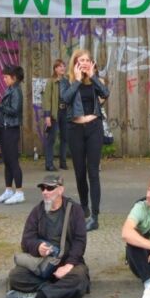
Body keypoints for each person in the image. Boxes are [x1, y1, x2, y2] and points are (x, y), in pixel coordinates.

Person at [5, 175, 90, 298]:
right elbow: (26, 240)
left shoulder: (75, 210)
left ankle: (35, 297)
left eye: (49, 188)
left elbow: (80, 241)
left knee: (78, 279)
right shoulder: (37, 211)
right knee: (15, 276)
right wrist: (37, 247)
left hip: (67, 263)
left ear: (61, 190)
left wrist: (68, 266)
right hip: (42, 264)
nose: (45, 192)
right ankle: (57, 290)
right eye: (43, 188)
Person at [61, 49, 110, 231]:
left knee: (93, 173)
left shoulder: (96, 81)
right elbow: (65, 99)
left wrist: (93, 77)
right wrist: (78, 80)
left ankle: (95, 216)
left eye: (87, 60)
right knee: (79, 172)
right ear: (75, 62)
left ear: (92, 63)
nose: (84, 63)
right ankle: (84, 208)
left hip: (94, 128)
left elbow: (105, 93)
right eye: (81, 60)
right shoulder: (68, 81)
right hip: (75, 129)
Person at [0, 65, 25, 205]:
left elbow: (15, 110)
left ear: (14, 78)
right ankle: (8, 190)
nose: (3, 79)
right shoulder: (9, 89)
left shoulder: (16, 91)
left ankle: (20, 191)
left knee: (13, 161)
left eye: (6, 77)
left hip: (11, 128)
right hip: (4, 127)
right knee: (7, 161)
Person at [41, 59, 69, 172]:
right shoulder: (51, 81)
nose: (62, 68)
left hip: (65, 113)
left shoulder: (67, 82)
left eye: (63, 66)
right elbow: (47, 99)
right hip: (54, 113)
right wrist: (47, 116)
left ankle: (63, 162)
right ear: (55, 68)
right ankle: (49, 164)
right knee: (51, 139)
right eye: (60, 66)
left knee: (65, 138)